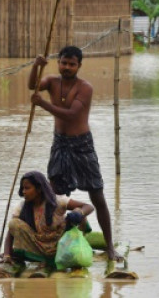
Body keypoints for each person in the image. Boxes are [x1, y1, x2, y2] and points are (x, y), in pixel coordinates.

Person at [29, 45, 123, 261]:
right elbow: (33, 85)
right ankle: (49, 244)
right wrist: (36, 66)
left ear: (79, 66)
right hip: (60, 144)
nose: (67, 67)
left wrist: (42, 103)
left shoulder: (85, 88)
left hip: (82, 146)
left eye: (72, 64)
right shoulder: (52, 81)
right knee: (51, 196)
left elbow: (72, 115)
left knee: (97, 195)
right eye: (64, 63)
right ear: (58, 62)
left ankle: (109, 247)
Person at [0, 170, 93, 269]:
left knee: (78, 212)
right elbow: (11, 233)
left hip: (60, 244)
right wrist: (7, 255)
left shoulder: (57, 201)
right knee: (14, 223)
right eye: (23, 188)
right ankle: (44, 260)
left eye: (27, 188)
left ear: (39, 189)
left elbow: (88, 206)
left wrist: (79, 213)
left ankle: (83, 234)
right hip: (39, 246)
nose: (24, 192)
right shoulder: (22, 207)